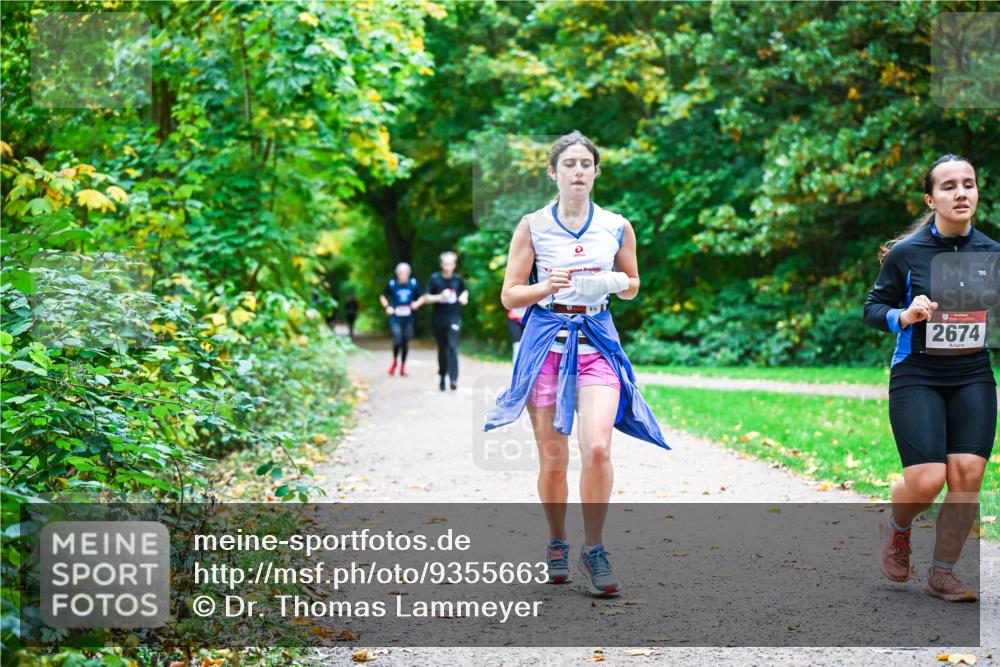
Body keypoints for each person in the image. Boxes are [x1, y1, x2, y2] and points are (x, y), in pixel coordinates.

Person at [484, 131, 669, 596]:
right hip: (547, 341)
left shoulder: (616, 226)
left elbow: (632, 285)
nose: (578, 171)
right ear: (553, 172)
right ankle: (556, 541)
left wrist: (608, 281)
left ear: (596, 171)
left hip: (596, 342)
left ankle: (596, 548)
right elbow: (509, 294)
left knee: (599, 447)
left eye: (586, 163)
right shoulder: (533, 225)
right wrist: (547, 287)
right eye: (569, 164)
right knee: (553, 456)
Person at [863, 154, 998, 602]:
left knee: (966, 476)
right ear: (931, 198)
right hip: (917, 373)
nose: (961, 193)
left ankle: (943, 573)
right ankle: (898, 525)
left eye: (969, 184)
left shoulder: (991, 254)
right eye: (949, 186)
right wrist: (904, 315)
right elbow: (872, 309)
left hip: (972, 373)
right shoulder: (907, 253)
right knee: (926, 479)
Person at [415, 251, 468, 391]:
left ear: (454, 265)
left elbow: (464, 291)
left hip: (454, 317)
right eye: (445, 264)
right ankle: (442, 376)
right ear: (441, 264)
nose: (448, 267)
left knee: (453, 347)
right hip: (439, 319)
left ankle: (453, 379)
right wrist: (440, 296)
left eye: (451, 264)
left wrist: (464, 298)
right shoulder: (435, 279)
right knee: (443, 349)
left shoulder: (458, 279)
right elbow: (426, 298)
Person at [379, 263, 422, 376]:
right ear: (397, 274)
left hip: (408, 317)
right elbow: (383, 296)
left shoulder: (413, 284)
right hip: (396, 317)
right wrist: (387, 307)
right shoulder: (392, 284)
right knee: (397, 340)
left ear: (408, 274)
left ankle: (403, 366)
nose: (403, 276)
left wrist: (417, 303)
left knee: (405, 341)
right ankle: (394, 361)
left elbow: (421, 297)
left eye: (405, 273)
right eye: (400, 273)